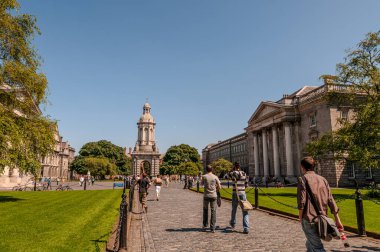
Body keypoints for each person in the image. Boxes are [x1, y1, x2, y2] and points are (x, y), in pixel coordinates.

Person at [297, 157, 343, 252]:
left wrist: (300, 217)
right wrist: (337, 220)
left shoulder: (303, 179)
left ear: (302, 167)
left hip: (309, 218)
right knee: (310, 243)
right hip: (322, 217)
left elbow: (301, 202)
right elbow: (331, 200)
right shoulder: (323, 179)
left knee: (317, 247)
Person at [228, 162, 250, 234]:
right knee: (245, 210)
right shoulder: (244, 173)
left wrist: (232, 169)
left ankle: (233, 223)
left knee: (234, 209)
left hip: (235, 193)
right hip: (243, 193)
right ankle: (246, 228)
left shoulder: (233, 173)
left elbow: (228, 174)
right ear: (240, 166)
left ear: (234, 166)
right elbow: (246, 184)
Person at [201, 165, 221, 233]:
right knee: (213, 211)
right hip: (213, 195)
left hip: (206, 195)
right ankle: (212, 227)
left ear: (206, 170)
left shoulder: (204, 176)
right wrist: (215, 188)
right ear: (212, 169)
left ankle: (205, 225)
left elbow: (201, 184)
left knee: (205, 210)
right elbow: (219, 187)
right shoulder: (215, 177)